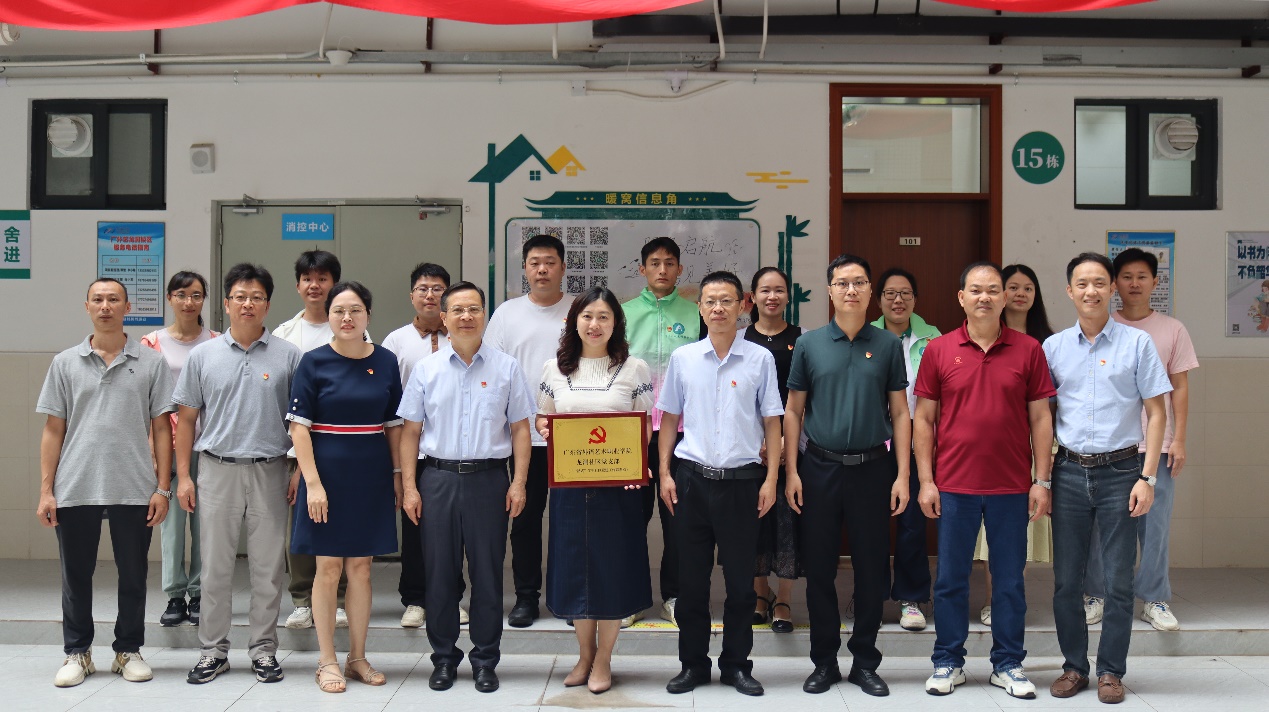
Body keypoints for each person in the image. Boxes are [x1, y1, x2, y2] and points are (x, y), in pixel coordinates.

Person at [914, 262, 1056, 699]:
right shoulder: (939, 350)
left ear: (1004, 297)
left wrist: (1042, 480)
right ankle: (947, 661)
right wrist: (926, 480)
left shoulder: (1028, 349)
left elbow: (1040, 417)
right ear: (961, 298)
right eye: (976, 290)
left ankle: (1008, 663)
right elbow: (924, 419)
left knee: (1009, 581)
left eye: (993, 290)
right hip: (953, 485)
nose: (985, 297)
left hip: (1011, 487)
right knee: (951, 579)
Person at [37, 278, 176, 688]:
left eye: (113, 299)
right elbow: (53, 429)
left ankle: (127, 651)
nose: (105, 306)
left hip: (134, 485)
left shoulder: (151, 363)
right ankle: (77, 652)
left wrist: (162, 487)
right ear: (87, 307)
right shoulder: (65, 362)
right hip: (75, 484)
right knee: (75, 575)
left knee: (133, 574)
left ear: (127, 307)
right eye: (97, 299)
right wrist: (46, 490)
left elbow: (162, 429)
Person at [1045, 252, 1171, 704]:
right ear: (1069, 290)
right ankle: (1074, 667)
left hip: (1122, 472)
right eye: (1082, 283)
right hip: (1068, 471)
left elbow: (1157, 412)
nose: (1091, 291)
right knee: (1067, 581)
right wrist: (1041, 479)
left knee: (1119, 581)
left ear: (1111, 288)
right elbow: (1042, 417)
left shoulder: (1137, 344)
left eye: (1100, 282)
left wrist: (1148, 478)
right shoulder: (1053, 347)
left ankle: (1111, 671)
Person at [398, 282, 534, 694]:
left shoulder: (506, 367)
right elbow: (410, 432)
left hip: (489, 480)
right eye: (457, 310)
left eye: (474, 309)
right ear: (444, 317)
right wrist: (410, 488)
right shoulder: (427, 369)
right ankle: (443, 658)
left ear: (484, 315)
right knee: (439, 574)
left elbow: (520, 429)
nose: (466, 317)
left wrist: (519, 483)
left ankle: (485, 660)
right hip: (437, 479)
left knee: (488, 575)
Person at [785, 254, 910, 698]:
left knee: (872, 569)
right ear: (830, 290)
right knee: (819, 568)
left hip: (874, 469)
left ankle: (865, 662)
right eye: (842, 283)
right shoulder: (809, 344)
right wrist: (792, 471)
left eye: (859, 282)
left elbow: (900, 412)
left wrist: (903, 475)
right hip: (819, 469)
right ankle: (823, 662)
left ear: (870, 291)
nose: (851, 290)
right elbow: (794, 411)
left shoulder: (888, 345)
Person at [173, 263, 301, 685]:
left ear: (268, 304)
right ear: (226, 303)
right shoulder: (203, 356)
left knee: (268, 568)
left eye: (257, 297)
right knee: (215, 568)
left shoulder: (289, 356)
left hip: (271, 470)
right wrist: (184, 477)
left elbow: (302, 423)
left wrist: (299, 469)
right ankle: (213, 651)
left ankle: (264, 650)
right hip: (216, 470)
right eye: (240, 297)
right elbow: (186, 420)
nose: (248, 304)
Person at [657, 271, 782, 697]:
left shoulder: (760, 359)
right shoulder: (684, 358)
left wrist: (771, 479)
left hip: (742, 484)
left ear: (743, 305)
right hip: (691, 481)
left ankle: (736, 666)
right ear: (699, 307)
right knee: (691, 585)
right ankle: (692, 665)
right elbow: (669, 419)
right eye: (710, 301)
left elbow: (772, 423)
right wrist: (666, 473)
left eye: (726, 300)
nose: (717, 308)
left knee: (741, 586)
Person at [536, 287, 655, 694]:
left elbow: (644, 426)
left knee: (611, 571)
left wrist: (636, 462)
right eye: (587, 316)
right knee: (576, 572)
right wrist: (546, 428)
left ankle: (604, 658)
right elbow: (543, 418)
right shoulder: (554, 369)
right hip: (570, 487)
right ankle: (584, 656)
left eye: (604, 316)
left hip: (618, 489)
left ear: (616, 323)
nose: (595, 324)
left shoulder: (634, 368)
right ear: (574, 322)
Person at [288, 281, 403, 692]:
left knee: (361, 568)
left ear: (368, 314)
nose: (347, 317)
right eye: (339, 310)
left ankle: (357, 657)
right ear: (329, 316)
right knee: (328, 568)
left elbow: (394, 425)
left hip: (370, 475)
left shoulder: (386, 361)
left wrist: (398, 476)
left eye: (355, 310)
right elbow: (299, 428)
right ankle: (326, 661)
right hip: (326, 477)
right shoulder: (313, 362)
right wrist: (313, 484)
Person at [1083, 248, 1199, 632]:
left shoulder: (1172, 329)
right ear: (1115, 284)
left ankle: (1154, 599)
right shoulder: (1102, 325)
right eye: (1127, 277)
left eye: (1142, 277)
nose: (1134, 284)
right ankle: (1096, 594)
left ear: (1155, 282)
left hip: (1157, 444)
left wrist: (1179, 440)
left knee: (1155, 526)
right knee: (1102, 525)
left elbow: (1179, 387)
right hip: (1109, 446)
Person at [484, 234, 571, 628]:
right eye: (535, 262)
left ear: (563, 267)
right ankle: (526, 597)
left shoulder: (580, 310)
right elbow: (493, 371)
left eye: (550, 262)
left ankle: (570, 596)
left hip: (572, 434)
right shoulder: (507, 314)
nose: (542, 269)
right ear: (525, 268)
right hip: (523, 436)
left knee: (570, 521)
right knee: (524, 519)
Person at [380, 262, 469, 629]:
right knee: (414, 524)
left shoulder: (462, 336)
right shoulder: (395, 341)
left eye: (437, 289)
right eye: (423, 288)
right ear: (412, 296)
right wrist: (396, 465)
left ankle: (450, 598)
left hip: (452, 448)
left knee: (453, 530)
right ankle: (415, 599)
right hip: (411, 448)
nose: (430, 295)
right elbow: (388, 401)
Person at [621, 236, 703, 627]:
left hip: (682, 432)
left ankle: (675, 596)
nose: (662, 269)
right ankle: (631, 598)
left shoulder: (697, 313)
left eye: (669, 263)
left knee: (679, 520)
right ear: (642, 269)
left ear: (680, 269)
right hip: (631, 432)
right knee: (631, 519)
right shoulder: (621, 313)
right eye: (654, 263)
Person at [274, 250, 353, 630]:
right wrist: (295, 460)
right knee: (304, 523)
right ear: (298, 285)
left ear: (333, 284)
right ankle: (302, 599)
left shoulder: (352, 329)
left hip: (342, 445)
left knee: (341, 520)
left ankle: (338, 598)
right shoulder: (284, 335)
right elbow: (283, 402)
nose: (314, 285)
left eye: (322, 278)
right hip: (298, 446)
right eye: (308, 278)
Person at [974, 264, 1056, 626]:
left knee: (1018, 530)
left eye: (1028, 288)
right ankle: (992, 600)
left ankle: (1010, 601)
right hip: (988, 448)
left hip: (1033, 446)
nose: (1020, 294)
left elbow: (1049, 407)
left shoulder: (1048, 343)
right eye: (1013, 287)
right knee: (989, 532)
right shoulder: (984, 336)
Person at [141, 271, 219, 628]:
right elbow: (142, 399)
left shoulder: (216, 342)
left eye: (197, 295)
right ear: (170, 298)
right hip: (166, 446)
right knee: (171, 523)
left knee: (205, 523)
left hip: (208, 443)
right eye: (182, 294)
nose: (189, 302)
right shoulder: (151, 343)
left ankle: (199, 592)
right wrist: (150, 446)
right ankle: (175, 594)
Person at [870, 267, 939, 632]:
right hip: (873, 443)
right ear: (879, 299)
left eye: (906, 294)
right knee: (872, 524)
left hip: (917, 443)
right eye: (890, 294)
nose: (898, 300)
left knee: (912, 523)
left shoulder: (933, 338)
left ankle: (911, 598)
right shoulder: (864, 335)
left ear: (915, 299)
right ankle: (873, 595)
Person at [744, 267, 804, 634]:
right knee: (754, 519)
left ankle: (783, 599)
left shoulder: (803, 339)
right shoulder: (740, 339)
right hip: (748, 446)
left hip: (793, 444)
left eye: (779, 290)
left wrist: (783, 442)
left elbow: (805, 396)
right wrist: (759, 441)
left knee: (787, 521)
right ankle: (759, 594)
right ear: (752, 296)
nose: (772, 297)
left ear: (787, 296)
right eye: (765, 290)